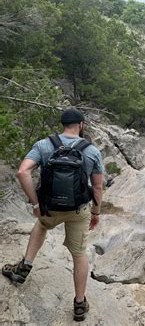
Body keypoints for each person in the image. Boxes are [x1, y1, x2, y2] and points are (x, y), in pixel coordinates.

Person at [2, 108, 104, 322]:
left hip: (50, 208)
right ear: (81, 125)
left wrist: (35, 203)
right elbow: (97, 186)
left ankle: (24, 267)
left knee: (41, 226)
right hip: (79, 210)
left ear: (63, 124)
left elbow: (23, 172)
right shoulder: (92, 151)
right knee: (79, 254)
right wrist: (96, 212)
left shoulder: (44, 145)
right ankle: (79, 304)